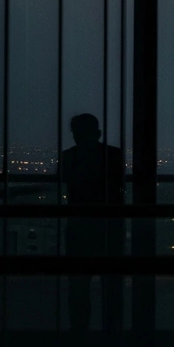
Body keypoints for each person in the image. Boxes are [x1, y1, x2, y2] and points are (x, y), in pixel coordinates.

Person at [59, 113, 125, 334]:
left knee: (78, 287)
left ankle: (80, 332)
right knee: (112, 285)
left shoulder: (69, 157)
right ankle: (112, 331)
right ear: (97, 133)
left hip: (79, 227)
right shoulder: (114, 156)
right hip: (109, 226)